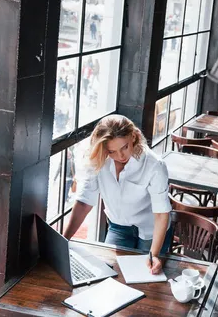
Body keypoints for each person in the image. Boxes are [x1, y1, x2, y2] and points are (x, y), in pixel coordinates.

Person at [63, 115, 173, 274]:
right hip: (118, 227)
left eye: (125, 147)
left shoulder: (154, 165)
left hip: (151, 229)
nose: (120, 156)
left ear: (133, 137)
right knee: (109, 274)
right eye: (112, 151)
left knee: (145, 277)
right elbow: (84, 202)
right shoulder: (97, 159)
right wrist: (64, 240)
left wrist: (154, 255)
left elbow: (162, 214)